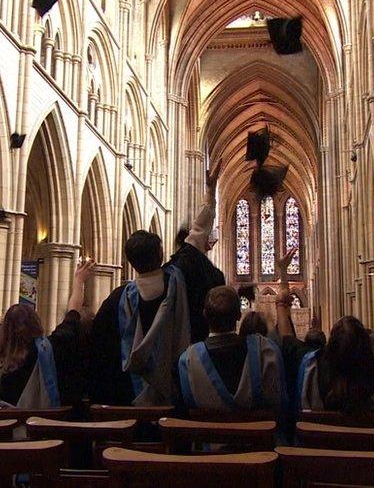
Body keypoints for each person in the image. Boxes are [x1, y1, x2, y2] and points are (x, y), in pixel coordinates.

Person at [0, 261, 91, 420]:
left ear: (4, 332)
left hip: (5, 439)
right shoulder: (52, 348)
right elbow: (73, 312)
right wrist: (78, 281)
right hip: (45, 437)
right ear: (36, 323)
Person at [89, 230, 191, 406]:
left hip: (126, 401)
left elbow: (98, 350)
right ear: (160, 254)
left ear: (131, 261)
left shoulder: (116, 301)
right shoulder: (180, 288)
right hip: (173, 397)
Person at [178, 286, 285, 414]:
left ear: (204, 314)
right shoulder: (266, 351)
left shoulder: (188, 360)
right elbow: (278, 402)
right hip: (256, 433)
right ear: (239, 315)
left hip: (207, 433)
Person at [165, 163, 226, 343]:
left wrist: (210, 191)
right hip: (204, 342)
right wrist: (211, 191)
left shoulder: (171, 270)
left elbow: (199, 229)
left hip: (177, 344)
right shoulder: (211, 274)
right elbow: (200, 228)